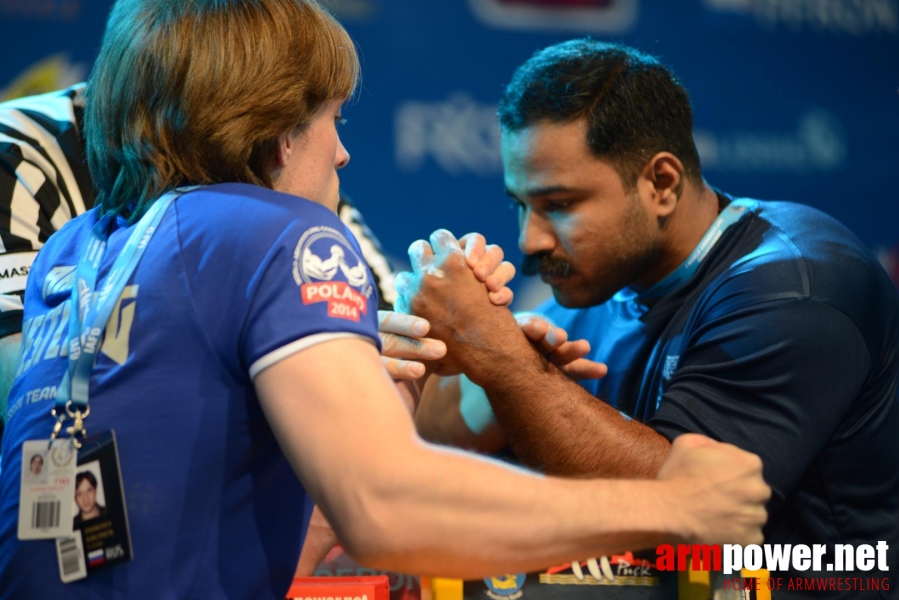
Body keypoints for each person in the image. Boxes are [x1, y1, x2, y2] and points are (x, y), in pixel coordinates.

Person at [0, 5, 769, 600]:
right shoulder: (282, 232)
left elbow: (193, 503)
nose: (342, 151)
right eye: (333, 117)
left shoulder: (78, 252)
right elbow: (386, 507)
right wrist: (673, 504)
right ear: (274, 133)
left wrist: (410, 377)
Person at [406, 40, 899, 596]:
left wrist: (502, 357)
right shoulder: (606, 278)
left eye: (559, 205)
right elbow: (423, 440)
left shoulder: (796, 289)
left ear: (661, 184)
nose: (529, 240)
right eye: (520, 204)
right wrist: (449, 355)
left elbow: (683, 517)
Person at [0, 85, 399, 429]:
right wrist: (300, 368)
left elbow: (394, 373)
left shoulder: (300, 188)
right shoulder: (19, 151)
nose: (343, 154)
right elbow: (30, 392)